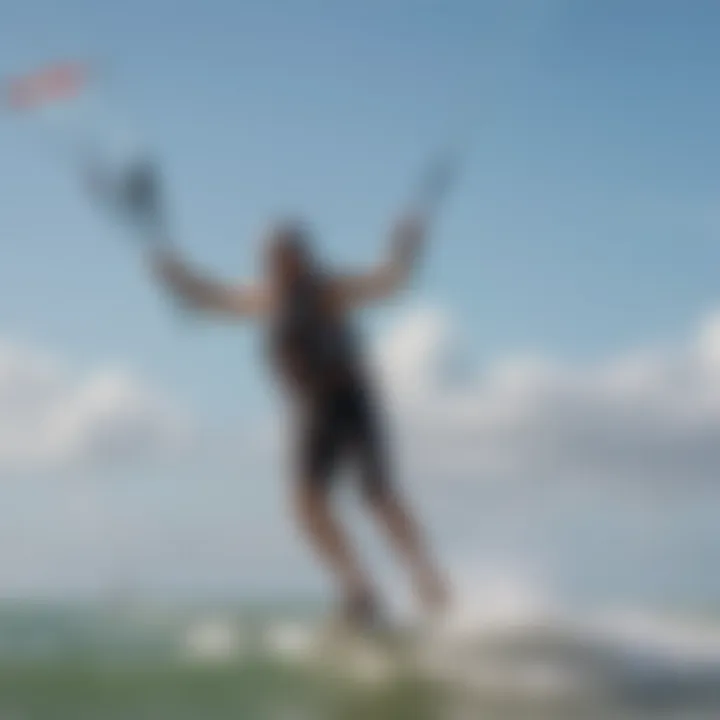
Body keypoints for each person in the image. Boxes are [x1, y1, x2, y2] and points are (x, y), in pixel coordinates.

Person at [147, 198, 449, 628]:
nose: (276, 264)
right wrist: (174, 275)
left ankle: (427, 576)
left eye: (284, 255)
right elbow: (210, 299)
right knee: (306, 505)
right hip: (312, 410)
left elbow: (390, 281)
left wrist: (406, 243)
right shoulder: (267, 296)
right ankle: (358, 590)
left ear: (301, 256)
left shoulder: (329, 289)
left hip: (352, 401)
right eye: (269, 257)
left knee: (377, 494)